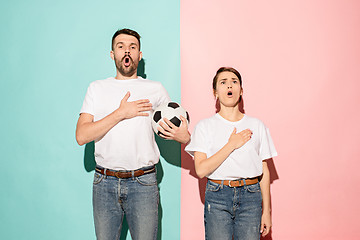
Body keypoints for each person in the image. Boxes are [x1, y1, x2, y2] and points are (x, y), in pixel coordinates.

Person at [76, 28, 190, 240]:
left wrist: (185, 138)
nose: (126, 51)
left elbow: (175, 124)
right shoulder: (97, 88)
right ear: (112, 54)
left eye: (132, 47)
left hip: (143, 183)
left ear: (139, 54)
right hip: (105, 183)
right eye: (120, 47)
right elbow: (82, 135)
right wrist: (120, 113)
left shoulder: (155, 89)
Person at [185, 67, 277, 240]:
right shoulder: (204, 126)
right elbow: (201, 170)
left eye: (234, 82)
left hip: (251, 197)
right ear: (215, 92)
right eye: (223, 82)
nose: (230, 86)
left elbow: (264, 170)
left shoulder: (257, 125)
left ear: (241, 91)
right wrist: (231, 145)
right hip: (217, 196)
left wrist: (267, 212)